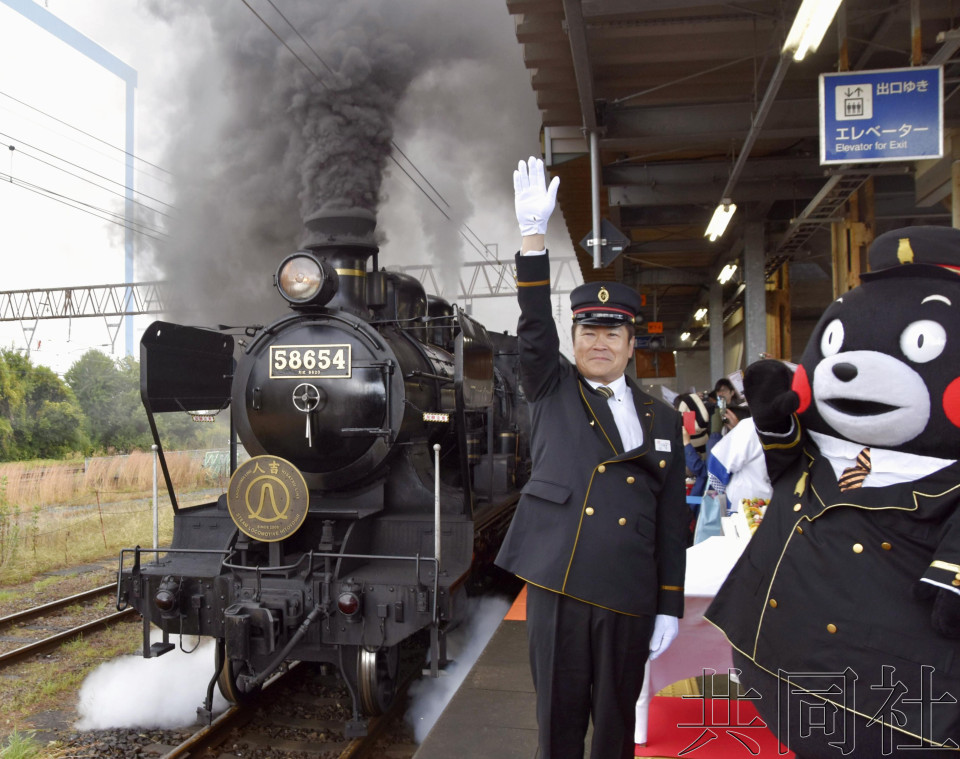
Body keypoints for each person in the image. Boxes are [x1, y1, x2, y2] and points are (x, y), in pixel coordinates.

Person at [495, 156, 688, 759]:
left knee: (613, 732)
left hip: (630, 595)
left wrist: (670, 604)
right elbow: (532, 328)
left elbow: (672, 521)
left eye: (612, 333)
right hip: (561, 586)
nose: (598, 342)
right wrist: (532, 237)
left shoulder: (661, 418)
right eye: (587, 331)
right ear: (573, 338)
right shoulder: (550, 386)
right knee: (557, 727)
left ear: (632, 344)